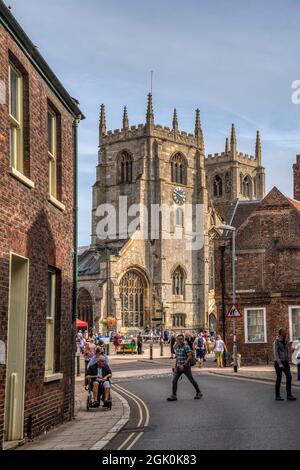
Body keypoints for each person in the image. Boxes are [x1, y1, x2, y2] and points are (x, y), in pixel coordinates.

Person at [167, 334, 202, 401]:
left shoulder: (186, 347)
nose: (180, 340)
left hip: (186, 367)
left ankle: (199, 392)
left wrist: (184, 365)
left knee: (191, 380)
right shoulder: (176, 347)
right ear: (176, 340)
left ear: (183, 339)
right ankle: (174, 395)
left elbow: (190, 356)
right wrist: (175, 367)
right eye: (178, 339)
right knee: (174, 381)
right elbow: (177, 357)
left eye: (181, 339)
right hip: (178, 367)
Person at [273, 328, 297, 401]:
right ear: (280, 334)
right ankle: (277, 396)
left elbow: (286, 351)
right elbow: (276, 353)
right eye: (284, 333)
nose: (286, 333)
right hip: (278, 363)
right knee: (279, 379)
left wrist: (288, 359)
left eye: (286, 332)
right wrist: (279, 363)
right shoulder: (276, 342)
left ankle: (289, 395)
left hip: (286, 362)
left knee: (289, 377)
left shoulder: (286, 341)